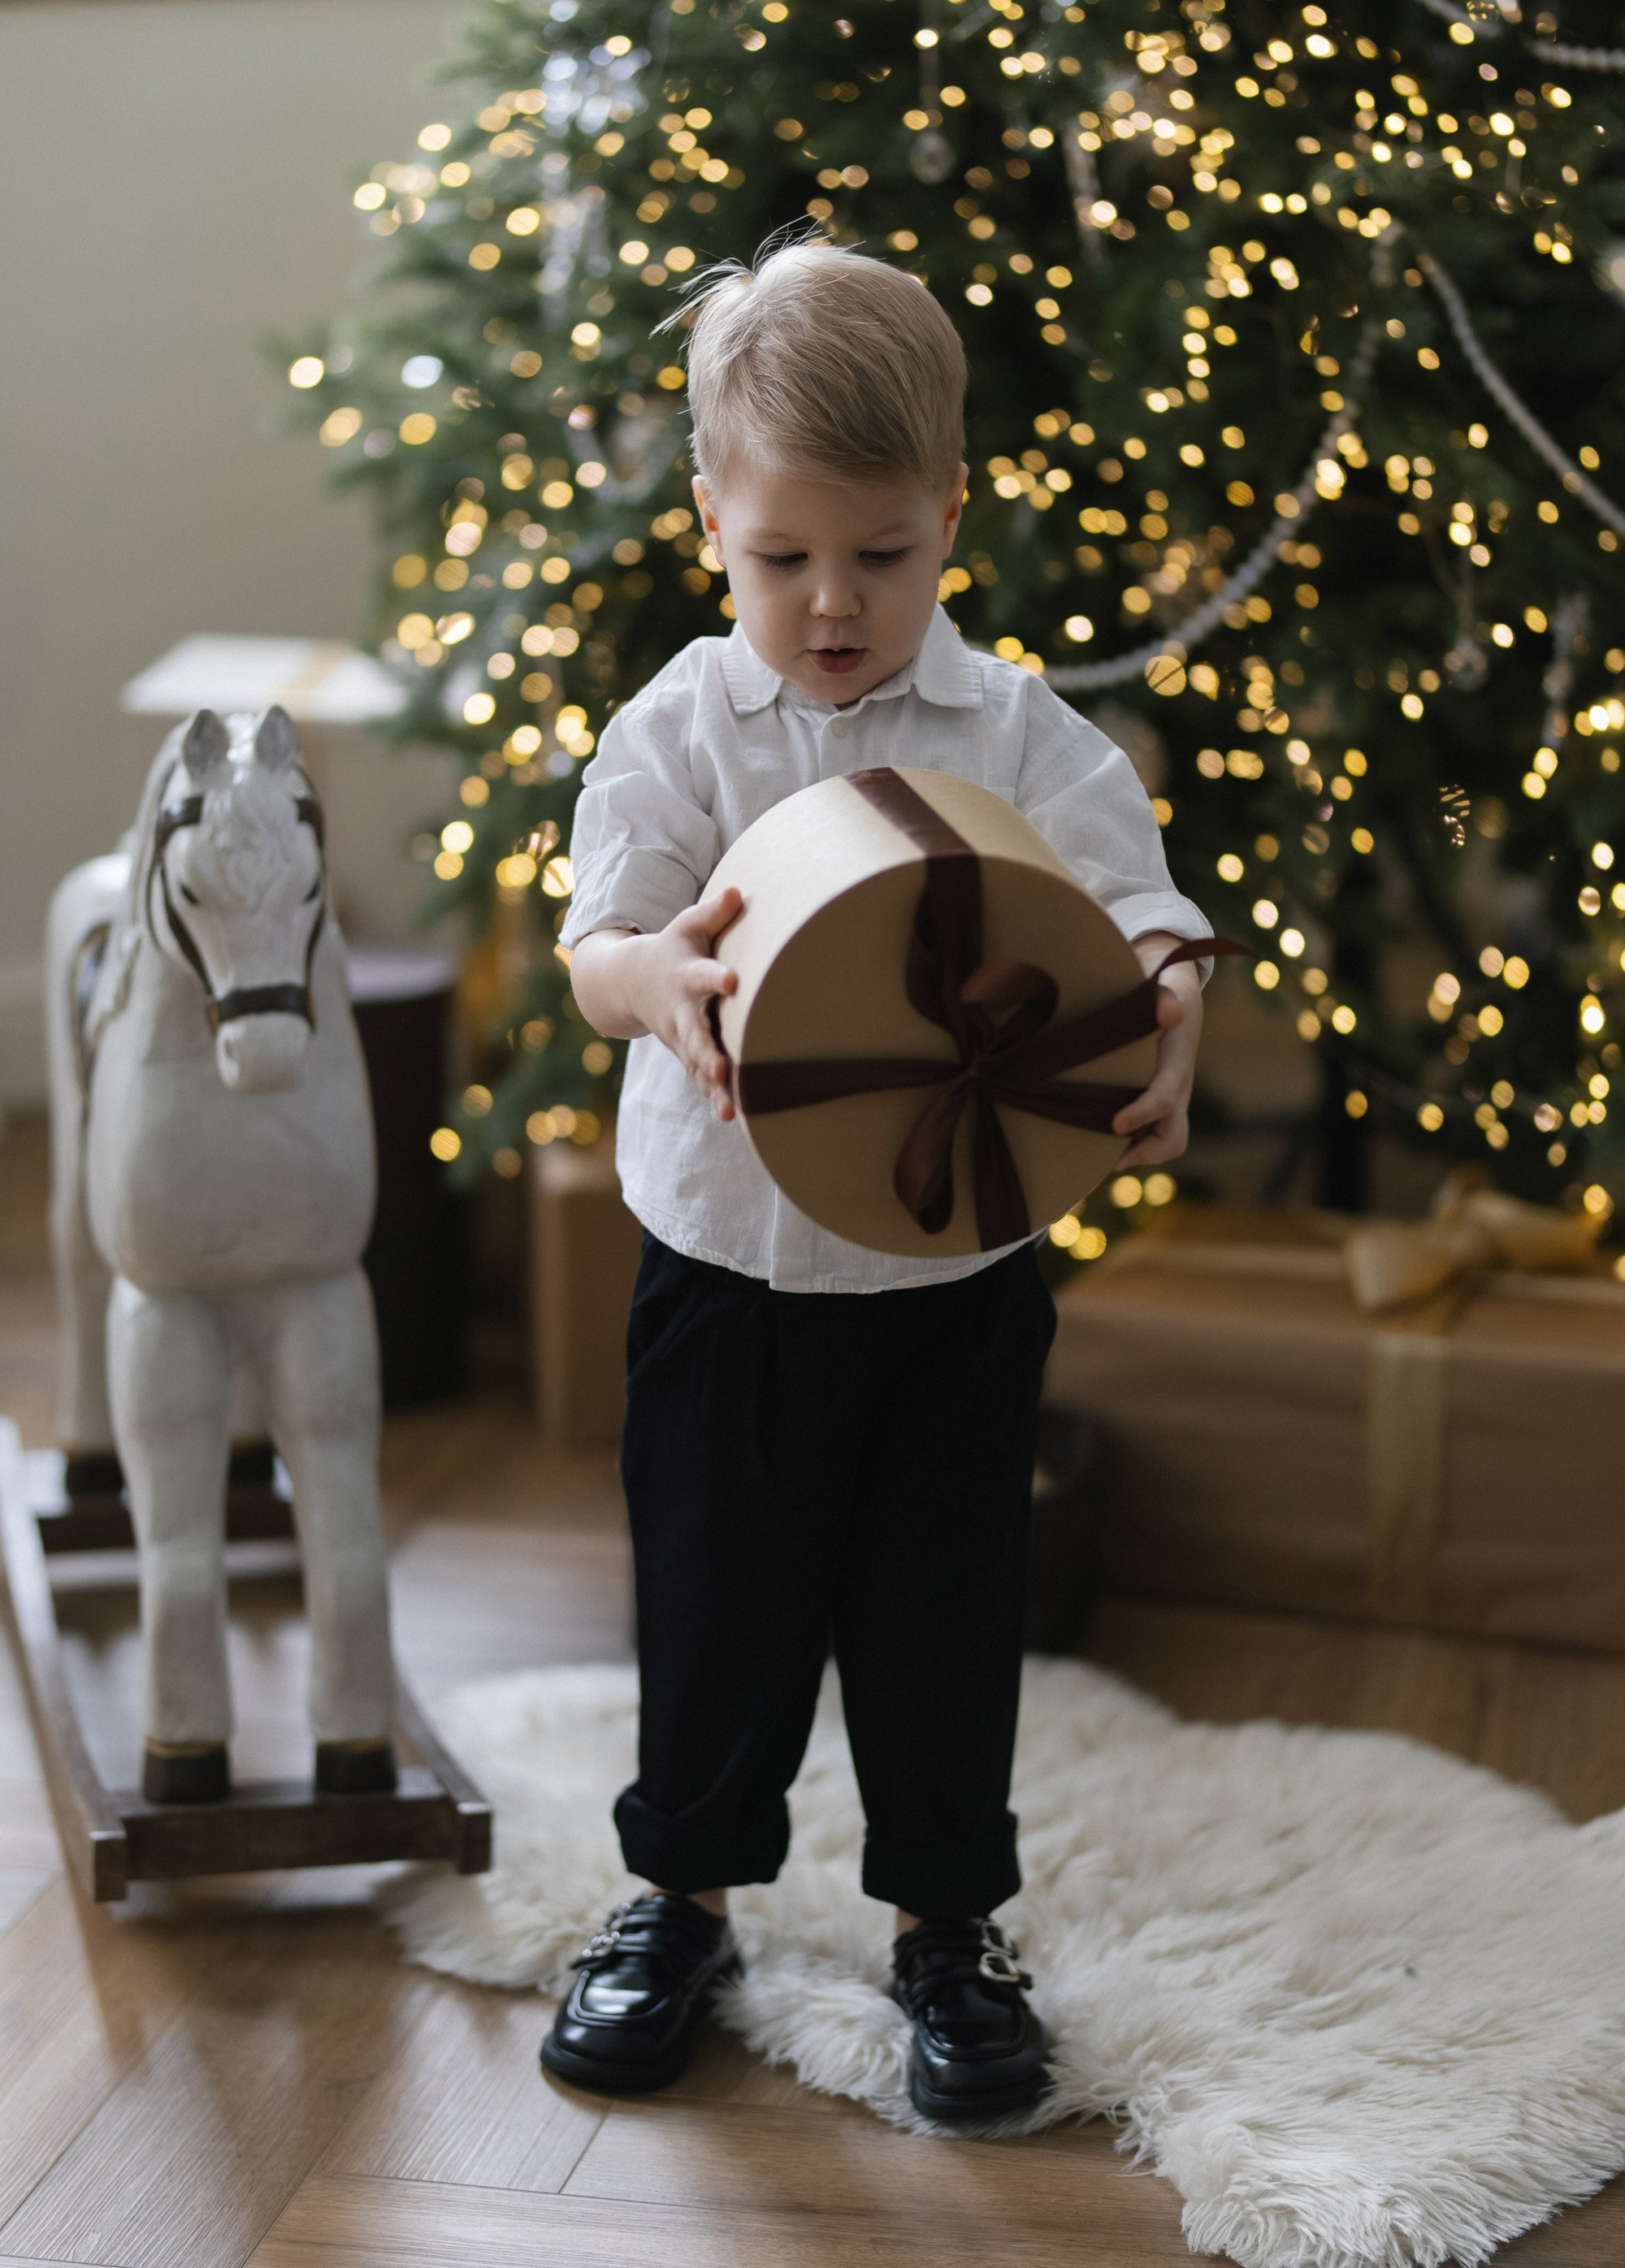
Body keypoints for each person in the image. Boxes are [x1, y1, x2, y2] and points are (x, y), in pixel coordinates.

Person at [541, 236, 1211, 2123]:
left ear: (950, 516)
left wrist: (1161, 1024)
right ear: (710, 525)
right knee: (713, 1595)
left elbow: (1145, 918)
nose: (832, 605)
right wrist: (652, 978)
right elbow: (598, 946)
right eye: (782, 561)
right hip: (726, 1272)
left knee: (941, 1602)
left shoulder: (1013, 738)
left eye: (881, 558)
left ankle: (946, 1925)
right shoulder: (680, 730)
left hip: (951, 1276)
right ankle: (676, 1896)